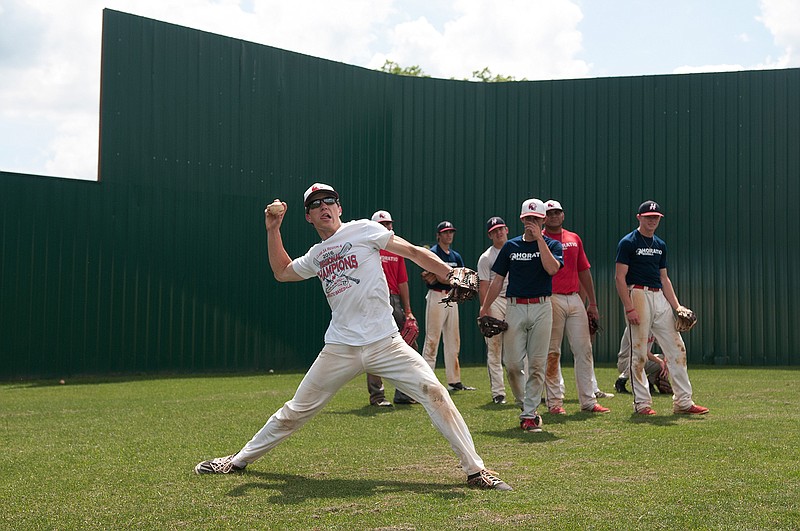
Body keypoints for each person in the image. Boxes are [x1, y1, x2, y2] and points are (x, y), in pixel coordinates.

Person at [195, 183, 511, 491]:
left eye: (329, 201)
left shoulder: (363, 230)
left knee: (435, 392)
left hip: (385, 343)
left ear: (339, 208)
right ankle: (238, 460)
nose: (323, 207)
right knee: (296, 410)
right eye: (315, 204)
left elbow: (413, 252)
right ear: (308, 217)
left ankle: (476, 471)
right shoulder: (317, 254)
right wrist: (273, 229)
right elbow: (283, 272)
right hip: (341, 347)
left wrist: (449, 273)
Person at [615, 200, 708, 415]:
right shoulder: (628, 242)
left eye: (655, 217)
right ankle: (642, 404)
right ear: (639, 217)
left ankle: (683, 402)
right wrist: (629, 307)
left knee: (677, 348)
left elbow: (664, 278)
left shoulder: (660, 245)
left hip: (659, 296)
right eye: (648, 217)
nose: (652, 220)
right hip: (637, 293)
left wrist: (677, 306)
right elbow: (619, 277)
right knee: (639, 352)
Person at [479, 198, 563, 432]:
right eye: (528, 218)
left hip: (542, 306)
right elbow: (497, 280)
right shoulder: (511, 246)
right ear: (521, 219)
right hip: (514, 306)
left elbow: (552, 269)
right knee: (513, 364)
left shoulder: (552, 245)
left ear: (543, 220)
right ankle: (524, 403)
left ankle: (529, 414)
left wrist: (540, 240)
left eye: (536, 218)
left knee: (537, 364)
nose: (531, 222)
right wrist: (485, 307)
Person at [541, 200, 610, 414]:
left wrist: (593, 303)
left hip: (574, 297)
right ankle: (554, 402)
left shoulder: (574, 238)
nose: (554, 216)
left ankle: (588, 401)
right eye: (549, 213)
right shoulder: (540, 240)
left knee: (584, 350)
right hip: (551, 297)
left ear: (563, 215)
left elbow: (584, 270)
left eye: (557, 212)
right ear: (543, 217)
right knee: (552, 352)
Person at [367, 209, 418, 406]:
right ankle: (377, 396)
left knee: (408, 343)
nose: (387, 227)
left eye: (388, 224)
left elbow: (402, 281)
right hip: (374, 299)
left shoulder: (396, 249)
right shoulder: (368, 248)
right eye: (382, 224)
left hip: (394, 300)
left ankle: (403, 393)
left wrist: (408, 310)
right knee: (374, 346)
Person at [421, 221, 475, 391]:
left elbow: (461, 278)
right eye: (445, 232)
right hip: (437, 295)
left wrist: (445, 277)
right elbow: (435, 277)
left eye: (451, 232)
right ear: (438, 235)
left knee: (453, 339)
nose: (449, 235)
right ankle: (426, 379)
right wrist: (448, 277)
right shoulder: (433, 253)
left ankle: (454, 380)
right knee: (432, 339)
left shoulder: (455, 256)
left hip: (452, 297)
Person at [476, 216, 516, 405]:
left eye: (500, 229)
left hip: (515, 300)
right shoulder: (486, 257)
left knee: (519, 347)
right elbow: (483, 285)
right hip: (496, 300)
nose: (498, 232)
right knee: (494, 347)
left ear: (506, 229)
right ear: (489, 235)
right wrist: (485, 310)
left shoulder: (516, 249)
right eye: (494, 231)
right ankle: (498, 393)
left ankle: (525, 391)